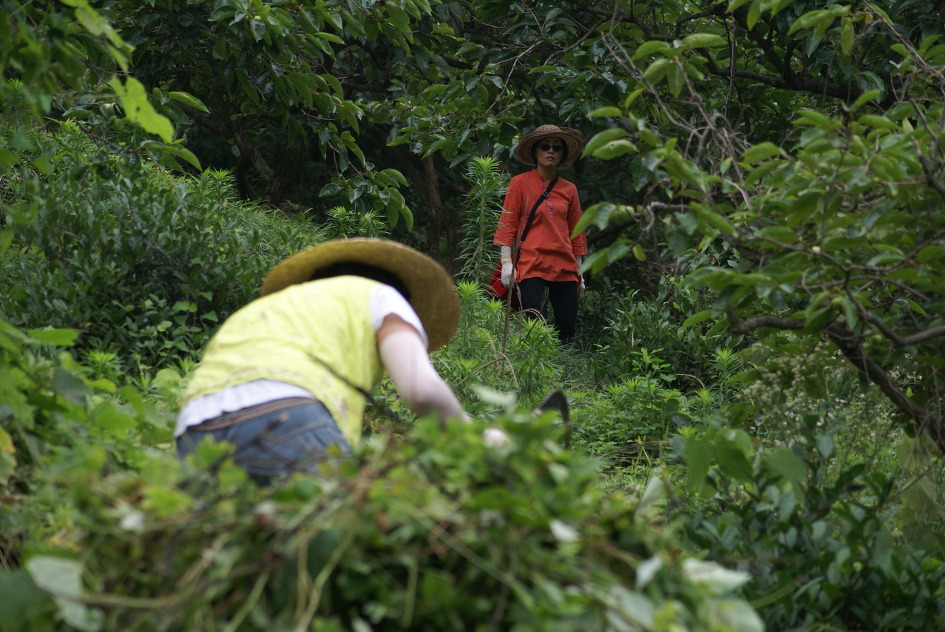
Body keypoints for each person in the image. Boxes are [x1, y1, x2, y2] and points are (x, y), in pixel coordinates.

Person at [175, 238, 489, 483]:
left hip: (195, 425)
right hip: (287, 414)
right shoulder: (383, 296)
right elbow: (420, 389)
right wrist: (477, 440)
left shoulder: (268, 308)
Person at [493, 124, 588, 344]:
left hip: (564, 266)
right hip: (531, 263)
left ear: (562, 155)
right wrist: (506, 262)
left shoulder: (569, 189)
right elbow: (507, 224)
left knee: (566, 329)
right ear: (535, 152)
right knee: (534, 324)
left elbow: (577, 233)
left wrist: (580, 272)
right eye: (545, 146)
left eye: (557, 148)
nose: (551, 151)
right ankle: (534, 372)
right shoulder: (520, 183)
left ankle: (566, 375)